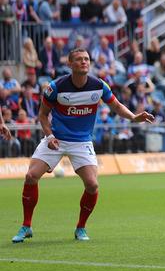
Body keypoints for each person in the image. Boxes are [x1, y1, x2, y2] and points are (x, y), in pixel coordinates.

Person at [11, 48, 154, 243]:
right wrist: (50, 135)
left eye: (86, 59)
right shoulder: (56, 87)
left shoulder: (99, 86)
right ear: (70, 64)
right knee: (30, 176)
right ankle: (26, 226)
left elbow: (117, 106)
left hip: (82, 142)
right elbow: (42, 115)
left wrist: (134, 117)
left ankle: (81, 228)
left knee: (93, 185)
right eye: (79, 59)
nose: (84, 62)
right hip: (56, 139)